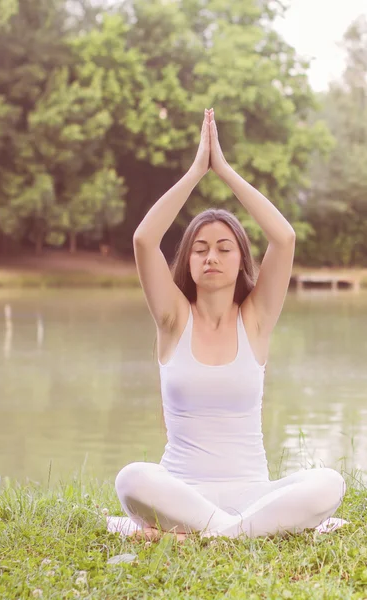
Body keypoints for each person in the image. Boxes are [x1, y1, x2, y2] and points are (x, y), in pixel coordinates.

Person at [113, 108, 346, 540]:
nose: (211, 257)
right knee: (131, 479)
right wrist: (196, 172)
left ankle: (207, 534)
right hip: (179, 490)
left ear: (241, 260)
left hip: (255, 492)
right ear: (188, 260)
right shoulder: (172, 320)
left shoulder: (256, 321)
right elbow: (145, 239)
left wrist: (224, 169)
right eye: (200, 249)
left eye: (224, 248)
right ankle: (253, 533)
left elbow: (285, 237)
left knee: (329, 483)